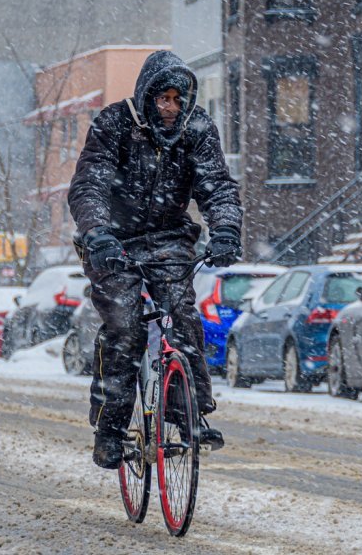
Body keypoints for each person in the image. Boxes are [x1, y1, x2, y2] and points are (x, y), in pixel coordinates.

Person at [68, 50, 242, 469]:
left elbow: (217, 186)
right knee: (125, 326)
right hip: (113, 240)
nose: (171, 108)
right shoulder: (113, 124)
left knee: (181, 315)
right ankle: (109, 430)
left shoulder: (197, 129)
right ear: (146, 95)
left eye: (178, 100)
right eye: (163, 98)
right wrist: (97, 233)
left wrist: (226, 230)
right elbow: (88, 185)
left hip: (168, 239)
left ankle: (191, 415)